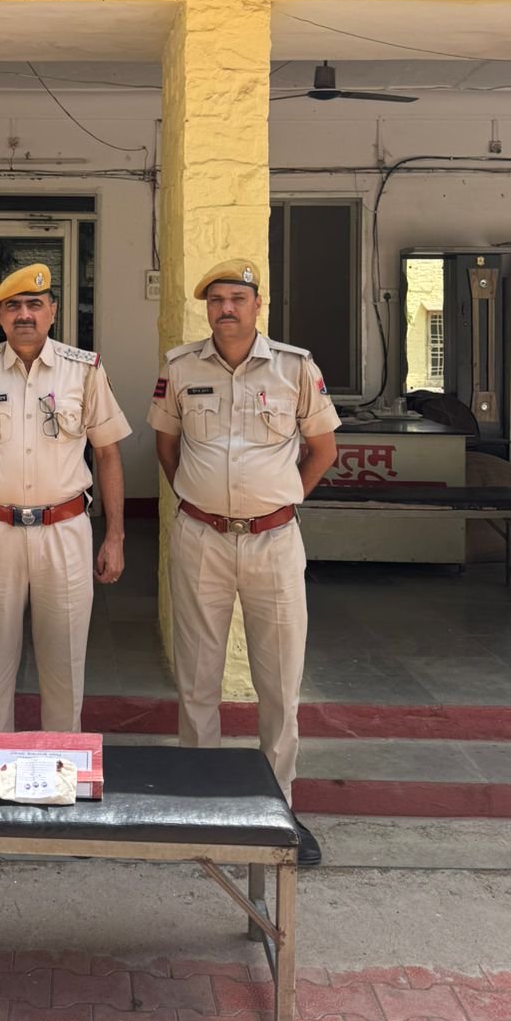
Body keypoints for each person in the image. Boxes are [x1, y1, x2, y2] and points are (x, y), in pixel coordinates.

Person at [147, 258, 339, 866]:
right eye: (216, 300)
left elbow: (323, 448)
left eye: (236, 298)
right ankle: (200, 803)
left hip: (274, 543)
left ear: (259, 305)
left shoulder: (295, 367)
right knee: (197, 677)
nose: (225, 308)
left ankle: (278, 808)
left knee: (279, 682)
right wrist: (201, 500)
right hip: (200, 538)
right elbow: (167, 445)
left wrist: (279, 501)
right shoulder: (181, 367)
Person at [0, 263, 131, 732]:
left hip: (64, 531)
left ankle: (61, 766)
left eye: (34, 304)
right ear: (0, 315)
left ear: (52, 311)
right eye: (13, 306)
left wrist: (115, 536)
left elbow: (108, 455)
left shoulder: (84, 370)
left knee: (65, 667)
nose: (24, 314)